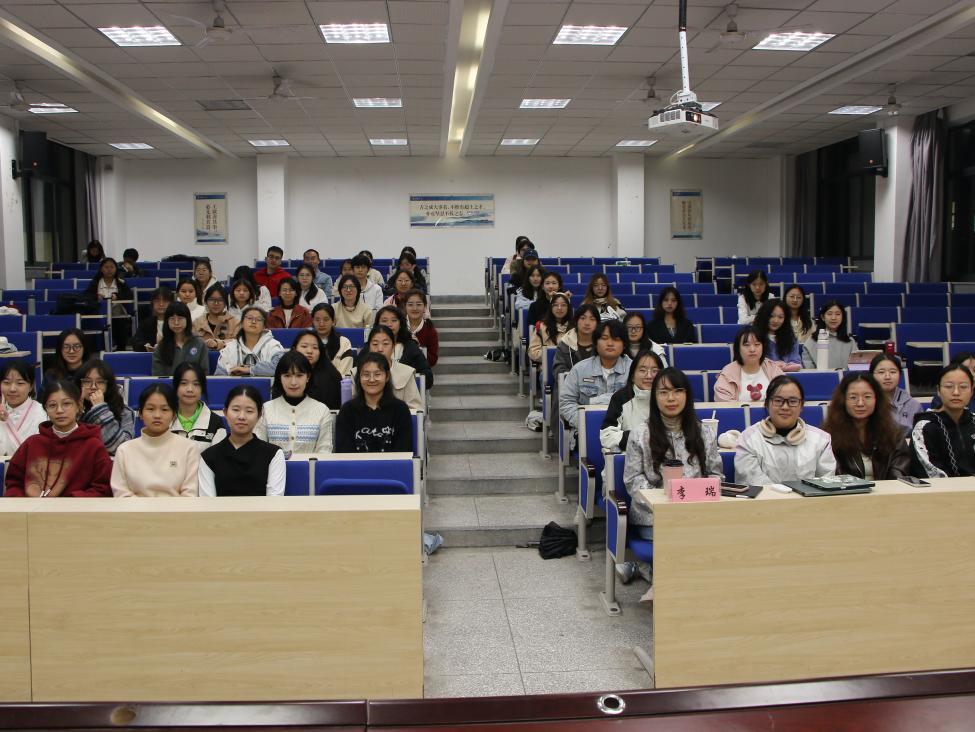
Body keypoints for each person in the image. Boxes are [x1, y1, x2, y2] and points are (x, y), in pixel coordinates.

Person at [624, 366, 724, 538]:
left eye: (678, 391)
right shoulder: (640, 434)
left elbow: (716, 476)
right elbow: (632, 480)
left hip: (698, 513)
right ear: (654, 398)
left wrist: (694, 500)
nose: (671, 398)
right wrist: (665, 500)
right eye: (663, 392)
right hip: (654, 516)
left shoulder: (704, 432)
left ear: (687, 395)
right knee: (685, 539)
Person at [3, 379, 112, 497]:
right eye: (52, 405)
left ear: (79, 405)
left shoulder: (93, 446)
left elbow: (102, 488)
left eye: (66, 404)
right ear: (46, 409)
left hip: (76, 507)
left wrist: (68, 502)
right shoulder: (32, 443)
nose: (59, 410)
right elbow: (14, 482)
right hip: (30, 507)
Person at [734, 375, 836, 485]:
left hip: (809, 497)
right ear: (767, 404)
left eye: (793, 401)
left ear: (801, 406)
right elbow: (753, 484)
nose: (785, 407)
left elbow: (826, 485)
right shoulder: (748, 439)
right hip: (765, 496)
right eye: (778, 401)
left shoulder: (821, 440)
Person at [111, 384, 199, 497]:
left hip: (177, 509)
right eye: (150, 409)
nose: (157, 415)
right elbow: (121, 493)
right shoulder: (124, 450)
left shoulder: (188, 448)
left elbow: (190, 494)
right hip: (134, 508)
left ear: (174, 414)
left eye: (164, 409)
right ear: (140, 413)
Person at [198, 386, 286, 497]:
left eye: (249, 411)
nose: (242, 416)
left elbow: (275, 500)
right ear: (225, 412)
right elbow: (207, 503)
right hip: (219, 509)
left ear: (259, 415)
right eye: (235, 410)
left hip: (263, 509)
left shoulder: (274, 454)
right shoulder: (208, 457)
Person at [822, 373, 910, 480]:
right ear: (843, 401)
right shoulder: (829, 437)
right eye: (853, 397)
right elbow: (833, 476)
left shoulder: (894, 435)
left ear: (876, 399)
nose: (860, 403)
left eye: (867, 397)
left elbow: (899, 474)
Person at [559, 319, 632, 430]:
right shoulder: (580, 369)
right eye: (604, 338)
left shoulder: (634, 370)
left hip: (624, 430)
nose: (610, 343)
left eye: (616, 339)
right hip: (585, 431)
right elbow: (566, 402)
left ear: (624, 345)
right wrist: (586, 423)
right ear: (595, 342)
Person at [255, 351, 333, 455]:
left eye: (299, 375)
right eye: (287, 375)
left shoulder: (322, 410)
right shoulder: (266, 409)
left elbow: (325, 451)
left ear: (308, 377)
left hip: (311, 466)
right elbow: (259, 450)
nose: (293, 382)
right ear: (279, 377)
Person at [334, 352, 413, 453]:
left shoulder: (400, 410)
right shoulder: (347, 411)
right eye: (366, 375)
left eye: (377, 374)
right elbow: (344, 453)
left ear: (387, 377)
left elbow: (403, 451)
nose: (371, 380)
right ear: (359, 378)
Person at [911, 363, 975, 478]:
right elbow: (932, 472)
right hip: (942, 488)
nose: (956, 392)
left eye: (963, 387)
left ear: (972, 391)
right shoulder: (925, 427)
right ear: (938, 390)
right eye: (949, 386)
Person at [600, 350, 663, 454]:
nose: (649, 376)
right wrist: (639, 438)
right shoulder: (621, 398)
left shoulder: (669, 399)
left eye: (655, 371)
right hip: (629, 457)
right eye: (642, 370)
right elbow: (607, 435)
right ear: (633, 376)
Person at [75, 358, 135, 456]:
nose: (93, 387)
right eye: (87, 381)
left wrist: (100, 410)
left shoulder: (124, 411)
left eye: (100, 382)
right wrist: (76, 412)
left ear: (108, 385)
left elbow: (121, 449)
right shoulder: (68, 408)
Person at [358, 325, 423, 410]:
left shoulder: (406, 373)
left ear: (393, 347)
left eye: (385, 344)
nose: (380, 349)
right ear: (369, 347)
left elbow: (415, 410)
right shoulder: (356, 372)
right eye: (375, 344)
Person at [713, 326, 785, 403]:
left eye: (757, 344)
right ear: (738, 348)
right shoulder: (728, 373)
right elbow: (723, 402)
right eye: (746, 345)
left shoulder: (773, 369)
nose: (752, 349)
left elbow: (786, 394)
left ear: (763, 347)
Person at [373, 306, 433, 389]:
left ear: (400, 324)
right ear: (377, 325)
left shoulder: (411, 347)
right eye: (384, 321)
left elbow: (428, 379)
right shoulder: (370, 347)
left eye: (394, 320)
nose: (389, 324)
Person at [170, 362, 226, 451]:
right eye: (184, 383)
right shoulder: (165, 419)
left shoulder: (215, 422)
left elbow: (219, 457)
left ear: (202, 388)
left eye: (196, 384)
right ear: (176, 386)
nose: (190, 389)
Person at [215, 306, 285, 376]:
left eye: (258, 319)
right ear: (241, 323)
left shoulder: (273, 345)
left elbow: (282, 368)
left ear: (264, 326)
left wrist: (249, 370)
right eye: (249, 318)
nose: (253, 322)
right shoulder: (230, 348)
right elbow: (219, 376)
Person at [0, 360, 46, 458]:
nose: (12, 389)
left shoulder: (42, 412)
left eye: (20, 383)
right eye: (6, 383)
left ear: (31, 386)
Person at [152, 302, 209, 377]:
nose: (176, 323)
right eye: (172, 319)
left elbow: (204, 373)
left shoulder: (199, 343)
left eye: (180, 318)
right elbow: (157, 376)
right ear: (167, 321)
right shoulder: (161, 347)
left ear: (187, 320)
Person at [870, 353, 921, 433]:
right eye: (881, 372)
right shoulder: (864, 403)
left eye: (893, 372)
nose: (887, 377)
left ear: (900, 375)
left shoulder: (914, 405)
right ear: (871, 375)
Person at [291, 331, 342, 409]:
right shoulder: (284, 371)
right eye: (304, 346)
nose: (309, 351)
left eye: (315, 348)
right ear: (294, 349)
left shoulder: (332, 375)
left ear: (320, 352)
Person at [801, 300, 855, 370]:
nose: (833, 318)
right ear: (823, 317)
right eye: (829, 314)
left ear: (843, 317)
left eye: (838, 314)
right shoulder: (811, 341)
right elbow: (809, 370)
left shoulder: (850, 341)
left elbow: (856, 366)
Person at [753, 299, 801, 372]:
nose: (776, 320)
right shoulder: (753, 336)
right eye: (771, 316)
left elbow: (796, 363)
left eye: (780, 317)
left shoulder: (791, 338)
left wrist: (783, 367)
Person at [553, 304, 599, 378]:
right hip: (571, 384)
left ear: (597, 323)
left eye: (592, 319)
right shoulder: (565, 344)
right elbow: (559, 372)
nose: (587, 323)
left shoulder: (602, 344)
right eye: (583, 318)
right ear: (576, 321)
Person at [311, 303, 354, 377]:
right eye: (317, 320)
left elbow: (344, 374)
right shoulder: (307, 342)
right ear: (313, 321)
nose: (321, 324)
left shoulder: (344, 342)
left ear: (333, 321)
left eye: (326, 319)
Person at [528, 292, 572, 364]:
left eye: (563, 305)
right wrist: (551, 355)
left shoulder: (575, 327)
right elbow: (533, 352)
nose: (559, 308)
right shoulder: (541, 326)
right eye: (555, 305)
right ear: (551, 307)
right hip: (548, 366)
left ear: (568, 308)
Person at [193, 285, 240, 353]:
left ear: (225, 303)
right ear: (205, 302)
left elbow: (237, 343)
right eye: (212, 299)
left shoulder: (235, 323)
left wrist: (218, 343)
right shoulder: (197, 323)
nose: (216, 303)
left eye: (220, 300)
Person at [130, 286, 174, 352]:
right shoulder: (146, 323)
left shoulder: (176, 322)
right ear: (152, 303)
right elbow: (136, 342)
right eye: (157, 301)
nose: (161, 304)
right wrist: (145, 346)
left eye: (165, 301)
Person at [404, 289, 439, 367]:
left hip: (421, 372)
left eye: (419, 304)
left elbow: (433, 360)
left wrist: (418, 348)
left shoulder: (430, 331)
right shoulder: (399, 327)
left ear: (425, 307)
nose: (414, 308)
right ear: (405, 306)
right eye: (410, 304)